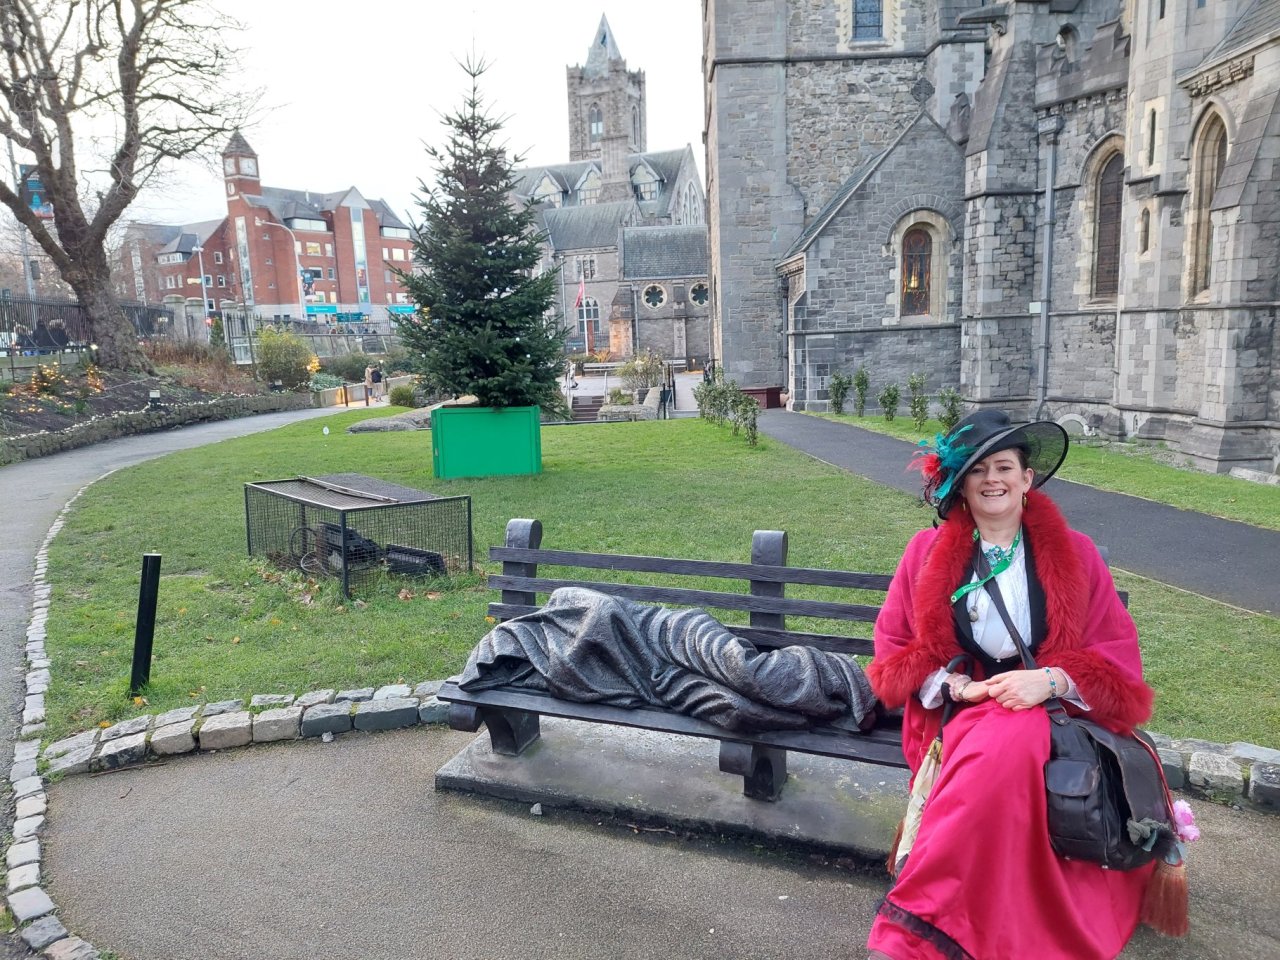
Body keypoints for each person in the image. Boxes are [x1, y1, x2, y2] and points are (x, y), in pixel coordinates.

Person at [864, 409, 1166, 960]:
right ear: (961, 485)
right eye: (977, 471)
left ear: (1027, 479)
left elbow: (1116, 656)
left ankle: (926, 926)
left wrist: (1049, 680)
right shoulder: (924, 553)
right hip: (956, 711)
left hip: (1053, 711)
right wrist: (958, 688)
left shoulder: (1077, 553)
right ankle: (947, 921)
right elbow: (894, 647)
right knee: (994, 749)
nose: (992, 480)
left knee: (1010, 747)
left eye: (1003, 467)